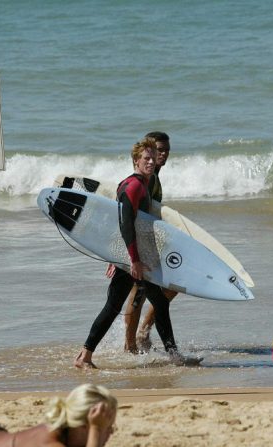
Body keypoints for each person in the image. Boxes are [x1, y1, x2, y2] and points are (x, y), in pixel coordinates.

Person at [74, 138, 183, 369]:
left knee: (144, 305)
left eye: (154, 157)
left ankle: (85, 356)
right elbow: (124, 223)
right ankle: (84, 356)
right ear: (136, 160)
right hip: (131, 259)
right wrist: (132, 259)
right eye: (147, 158)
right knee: (117, 306)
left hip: (132, 256)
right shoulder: (133, 186)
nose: (152, 161)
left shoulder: (145, 183)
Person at [121, 131, 178, 354]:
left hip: (150, 242)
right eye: (158, 150)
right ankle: (131, 343)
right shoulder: (144, 178)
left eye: (166, 151)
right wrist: (123, 251)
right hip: (138, 245)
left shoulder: (154, 176)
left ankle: (143, 331)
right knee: (138, 291)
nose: (162, 155)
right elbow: (126, 214)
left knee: (171, 286)